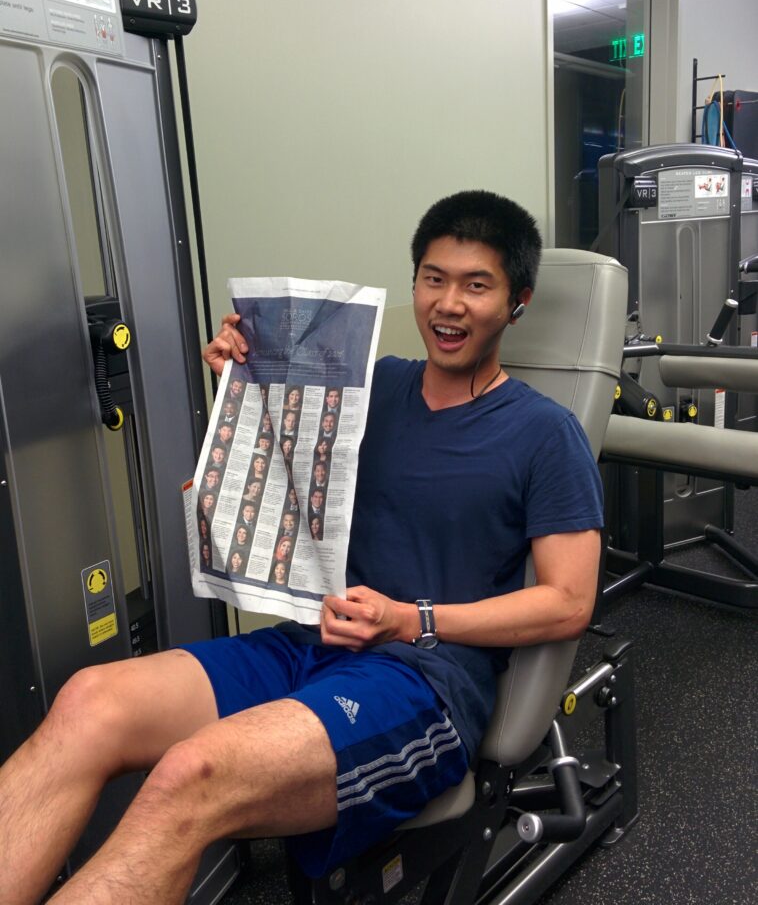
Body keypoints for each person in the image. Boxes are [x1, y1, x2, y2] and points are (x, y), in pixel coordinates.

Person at [0, 191, 603, 905]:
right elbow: (282, 477)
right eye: (434, 279)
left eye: (477, 285)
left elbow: (568, 603)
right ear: (413, 284)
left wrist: (413, 619)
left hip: (423, 682)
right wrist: (236, 386)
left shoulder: (544, 433)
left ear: (517, 302)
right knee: (88, 702)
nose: (449, 303)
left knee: (190, 775)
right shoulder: (371, 386)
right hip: (314, 645)